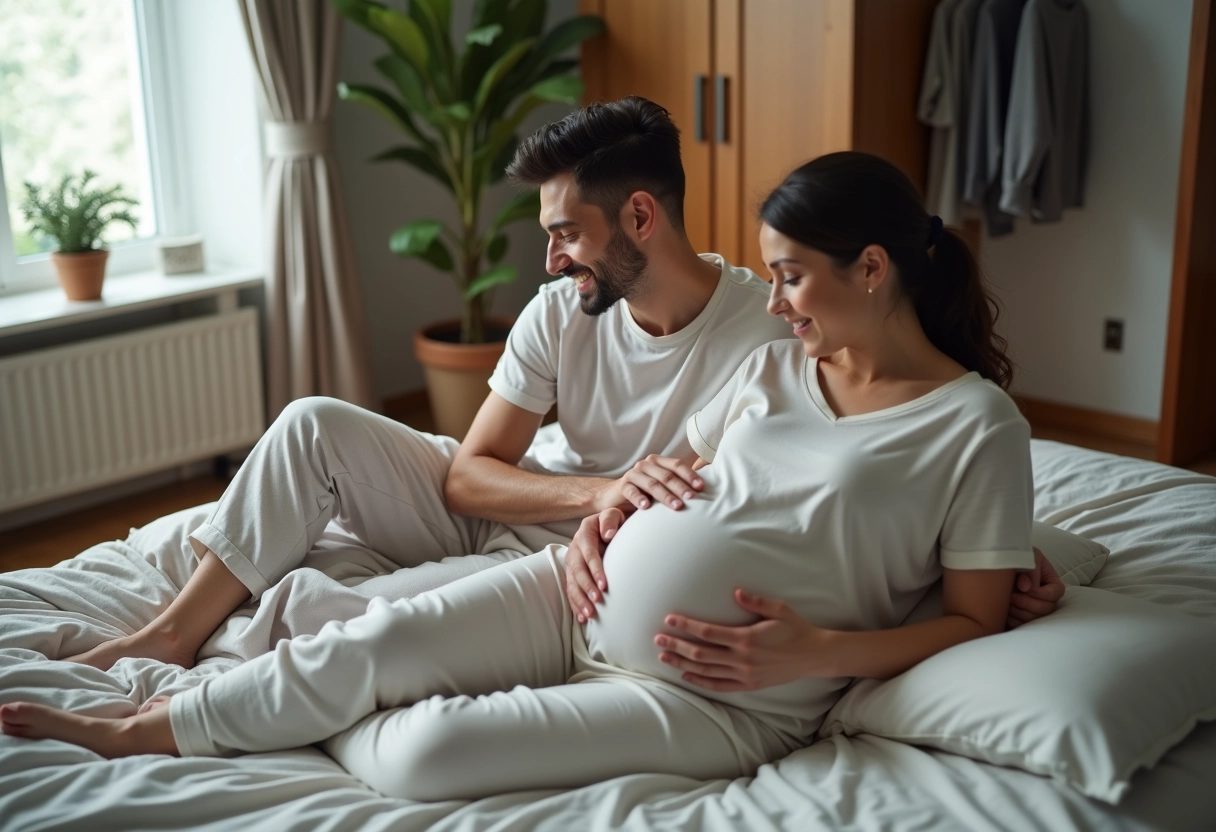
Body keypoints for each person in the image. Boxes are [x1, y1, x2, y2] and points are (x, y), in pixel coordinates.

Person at [4, 151, 1049, 802]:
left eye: (792, 277)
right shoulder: (776, 366)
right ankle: (137, 724)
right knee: (372, 642)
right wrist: (602, 529)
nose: (778, 303)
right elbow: (666, 475)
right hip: (569, 589)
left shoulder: (975, 427)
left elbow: (969, 616)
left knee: (414, 756)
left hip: (717, 695)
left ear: (871, 269)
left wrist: (821, 649)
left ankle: (292, 682)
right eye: (771, 278)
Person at [61, 96, 1064, 672]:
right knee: (311, 427)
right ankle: (169, 632)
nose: (549, 261)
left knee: (358, 617)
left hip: (589, 564)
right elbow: (468, 476)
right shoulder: (563, 314)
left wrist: (1021, 570)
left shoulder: (767, 326)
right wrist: (599, 491)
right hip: (545, 505)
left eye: (563, 233)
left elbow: (892, 445)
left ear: (638, 219)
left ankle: (259, 619)